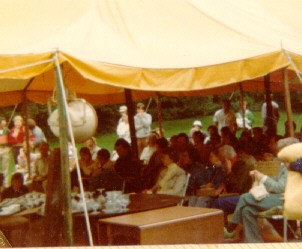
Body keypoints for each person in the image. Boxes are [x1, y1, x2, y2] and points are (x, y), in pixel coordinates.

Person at [224, 137, 299, 243]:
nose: (279, 154)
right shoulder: (287, 164)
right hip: (279, 197)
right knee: (247, 210)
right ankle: (254, 242)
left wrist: (262, 177)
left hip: (285, 200)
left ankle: (231, 228)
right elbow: (277, 183)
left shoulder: (293, 165)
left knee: (245, 197)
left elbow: (280, 187)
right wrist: (261, 179)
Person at [0, 117, 11, 186]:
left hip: (5, 149)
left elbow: (11, 138)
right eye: (2, 121)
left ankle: (5, 185)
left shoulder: (7, 130)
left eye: (4, 121)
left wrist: (9, 147)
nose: (4, 123)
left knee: (5, 168)